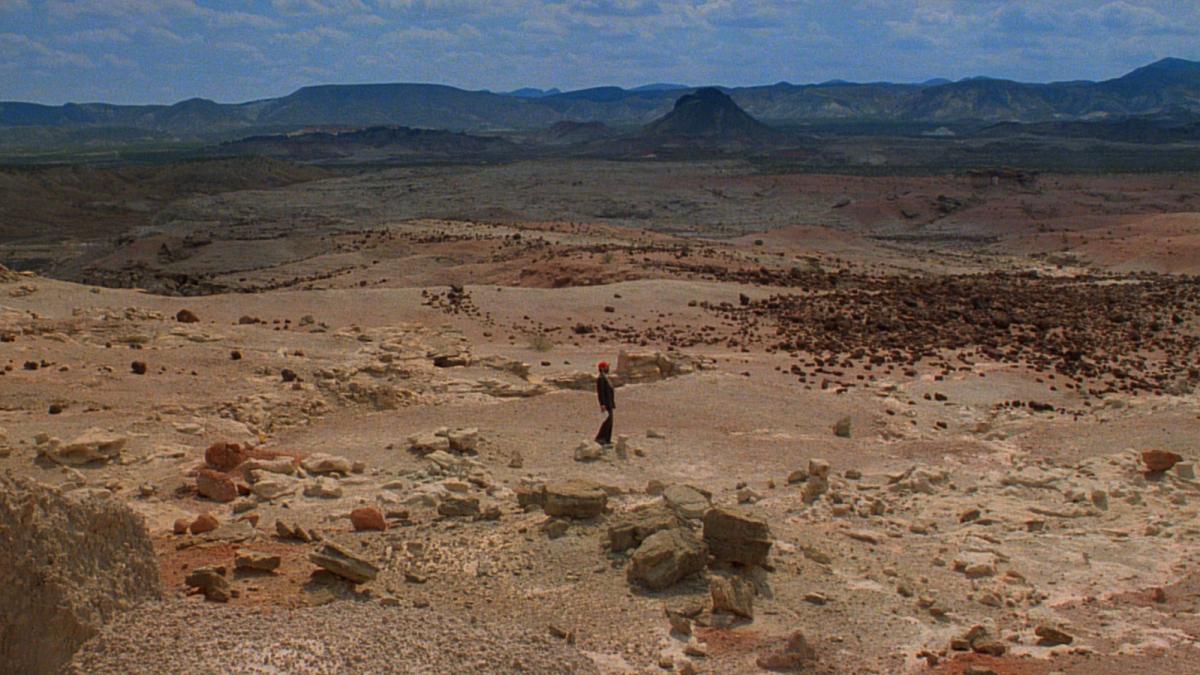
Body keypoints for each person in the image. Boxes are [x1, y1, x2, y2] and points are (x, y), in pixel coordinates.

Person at [595, 361, 615, 445]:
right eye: (607, 367)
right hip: (606, 404)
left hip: (609, 403)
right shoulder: (601, 378)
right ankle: (601, 438)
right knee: (607, 421)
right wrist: (602, 404)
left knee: (610, 421)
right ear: (602, 368)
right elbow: (601, 392)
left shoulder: (605, 377)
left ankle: (606, 439)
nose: (608, 368)